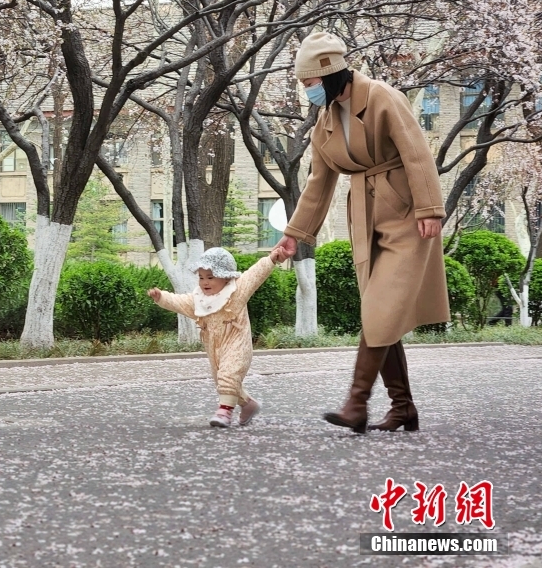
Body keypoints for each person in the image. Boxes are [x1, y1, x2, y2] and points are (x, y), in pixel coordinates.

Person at [273, 32, 449, 434]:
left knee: (380, 309)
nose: (307, 91)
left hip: (408, 218)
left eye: (310, 82)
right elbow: (319, 182)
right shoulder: (325, 121)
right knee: (379, 313)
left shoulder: (382, 97)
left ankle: (356, 404)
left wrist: (429, 209)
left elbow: (416, 152)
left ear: (331, 74)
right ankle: (403, 408)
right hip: (365, 221)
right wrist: (294, 233)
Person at [148, 246, 286, 428]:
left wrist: (271, 259)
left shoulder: (236, 292)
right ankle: (248, 404)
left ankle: (224, 412)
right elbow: (179, 302)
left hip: (237, 343)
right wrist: (161, 297)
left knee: (228, 375)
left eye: (210, 277)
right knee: (223, 381)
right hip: (214, 349)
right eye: (201, 277)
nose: (205, 282)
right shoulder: (199, 300)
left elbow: (254, 274)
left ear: (226, 277)